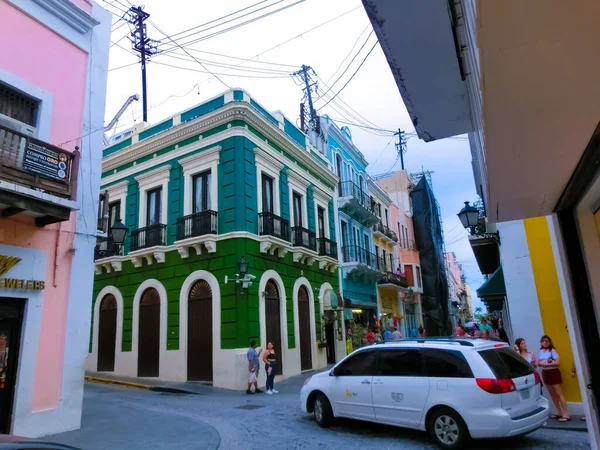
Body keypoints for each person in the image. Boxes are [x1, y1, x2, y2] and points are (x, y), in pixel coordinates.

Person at [538, 335, 569, 422]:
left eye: (547, 341)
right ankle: (559, 411)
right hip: (545, 373)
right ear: (541, 342)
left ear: (550, 342)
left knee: (559, 393)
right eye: (543, 341)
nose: (545, 342)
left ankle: (566, 413)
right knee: (552, 394)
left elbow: (558, 362)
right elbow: (538, 363)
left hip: (553, 372)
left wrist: (548, 364)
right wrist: (541, 364)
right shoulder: (540, 351)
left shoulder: (552, 350)